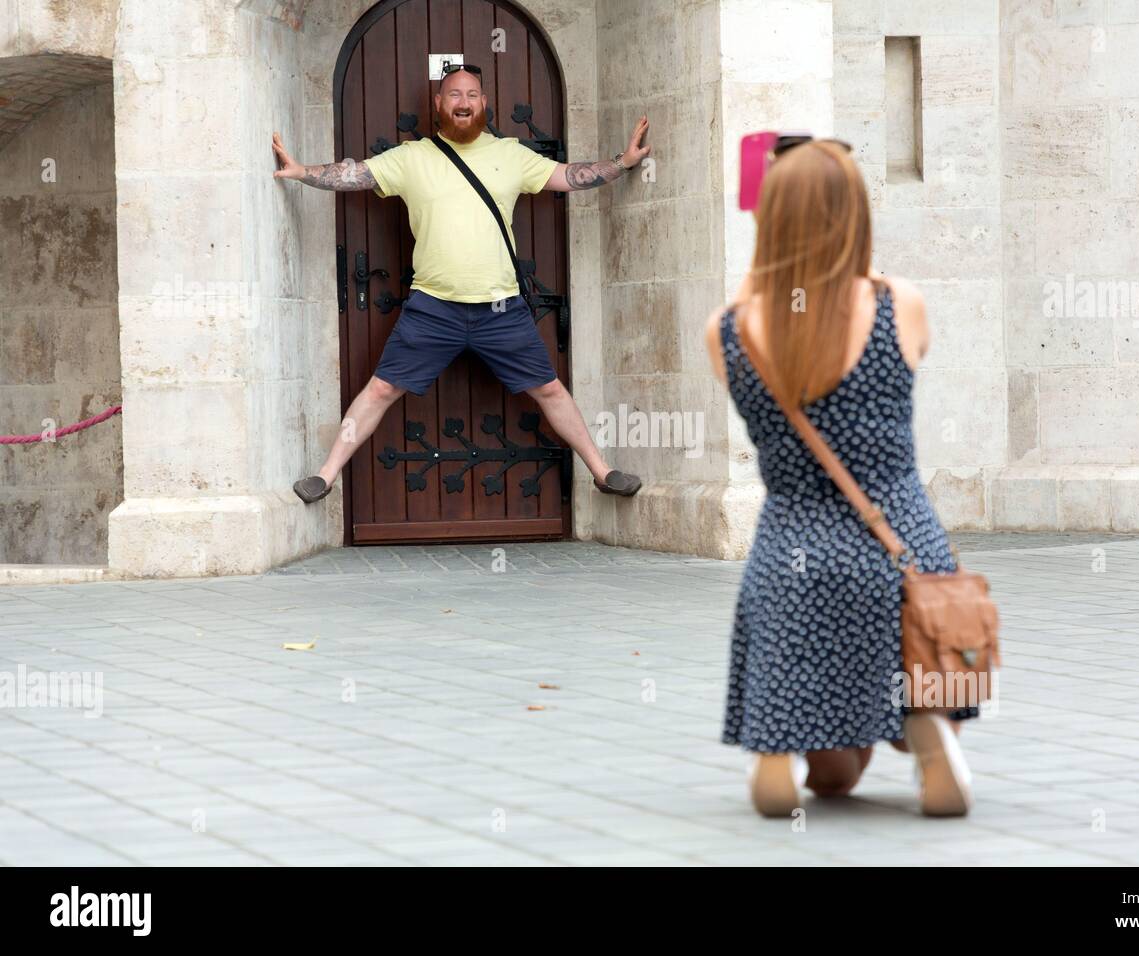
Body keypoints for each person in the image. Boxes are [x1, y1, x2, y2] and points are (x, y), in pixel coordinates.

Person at [704, 140, 978, 819]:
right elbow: (867, 303)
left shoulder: (729, 329)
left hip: (794, 556)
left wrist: (766, 254)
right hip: (900, 548)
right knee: (911, 670)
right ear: (856, 218)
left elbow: (764, 305)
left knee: (827, 760)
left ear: (770, 221)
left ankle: (776, 756)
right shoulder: (900, 305)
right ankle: (928, 726)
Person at [273, 63, 649, 504]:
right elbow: (356, 175)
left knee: (548, 387)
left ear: (484, 102)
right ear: (439, 104)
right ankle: (324, 476)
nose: (464, 102)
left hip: (500, 307)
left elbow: (568, 176)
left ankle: (602, 472)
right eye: (454, 95)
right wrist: (302, 172)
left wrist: (622, 163)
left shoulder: (511, 155)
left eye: (472, 94)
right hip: (434, 307)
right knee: (381, 388)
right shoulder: (411, 157)